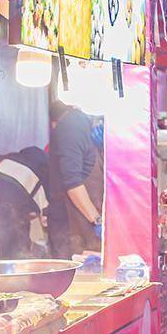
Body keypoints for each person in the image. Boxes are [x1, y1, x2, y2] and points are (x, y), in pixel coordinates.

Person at [48, 102, 103, 259]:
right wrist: (97, 221)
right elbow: (72, 183)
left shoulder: (80, 125)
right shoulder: (72, 127)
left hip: (86, 228)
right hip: (72, 230)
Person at [0, 147, 52, 259]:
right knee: (16, 247)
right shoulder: (42, 175)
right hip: (11, 211)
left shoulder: (6, 159)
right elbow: (45, 219)